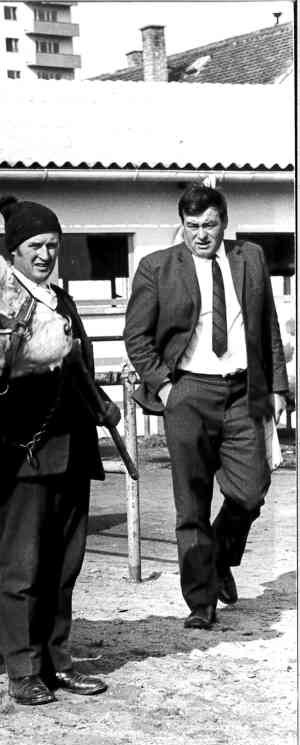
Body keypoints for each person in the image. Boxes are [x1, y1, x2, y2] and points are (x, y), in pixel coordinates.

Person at [123, 184, 289, 630]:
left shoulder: (249, 258)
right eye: (192, 226)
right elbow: (136, 338)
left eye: (209, 225)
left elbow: (267, 325)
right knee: (191, 503)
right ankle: (201, 601)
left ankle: (217, 559)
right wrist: (164, 385)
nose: (201, 235)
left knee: (251, 490)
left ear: (224, 223)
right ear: (182, 225)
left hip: (243, 393)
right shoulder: (156, 267)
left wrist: (277, 386)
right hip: (189, 393)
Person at [0, 195, 120, 706]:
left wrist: (102, 403)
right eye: (35, 246)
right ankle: (23, 669)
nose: (44, 254)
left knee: (64, 565)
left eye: (52, 246)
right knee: (23, 567)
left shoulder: (61, 300)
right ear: (13, 252)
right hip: (25, 453)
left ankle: (58, 662)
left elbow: (77, 367)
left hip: (73, 450)